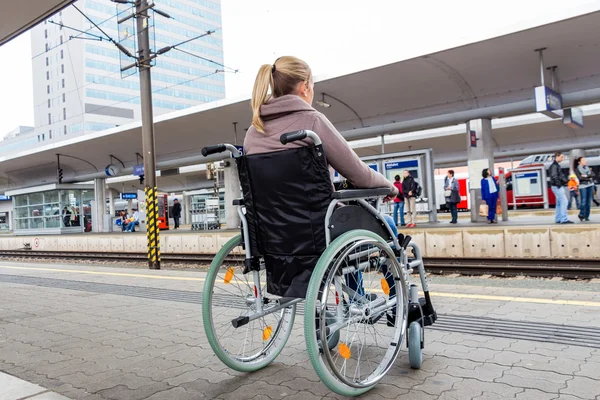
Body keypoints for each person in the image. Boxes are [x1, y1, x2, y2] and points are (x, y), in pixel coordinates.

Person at [548, 152, 572, 224]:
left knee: (559, 203)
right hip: (557, 186)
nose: (562, 158)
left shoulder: (555, 165)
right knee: (564, 202)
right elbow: (555, 176)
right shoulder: (555, 166)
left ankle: (558, 219)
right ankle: (564, 219)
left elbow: (557, 176)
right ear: (557, 156)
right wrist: (559, 184)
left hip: (556, 186)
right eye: (561, 157)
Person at [574, 156, 595, 222]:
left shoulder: (588, 168)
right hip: (583, 186)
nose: (585, 161)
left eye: (585, 160)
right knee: (583, 201)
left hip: (590, 185)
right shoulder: (577, 169)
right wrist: (589, 177)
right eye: (583, 160)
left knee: (588, 202)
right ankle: (581, 214)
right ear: (579, 162)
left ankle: (586, 216)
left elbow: (593, 174)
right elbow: (580, 178)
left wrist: (586, 176)